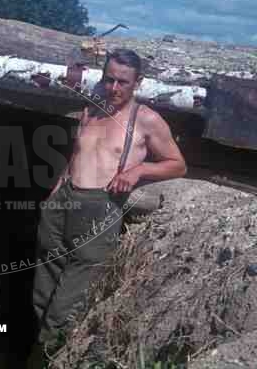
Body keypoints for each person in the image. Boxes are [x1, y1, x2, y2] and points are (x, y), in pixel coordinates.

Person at [28, 48, 187, 368]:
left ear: (137, 83)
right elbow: (76, 156)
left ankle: (52, 356)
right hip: (64, 201)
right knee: (43, 287)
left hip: (100, 206)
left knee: (71, 296)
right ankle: (42, 344)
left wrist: (137, 171)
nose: (114, 88)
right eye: (109, 79)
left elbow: (177, 165)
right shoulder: (90, 111)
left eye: (123, 83)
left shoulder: (147, 120)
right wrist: (56, 191)